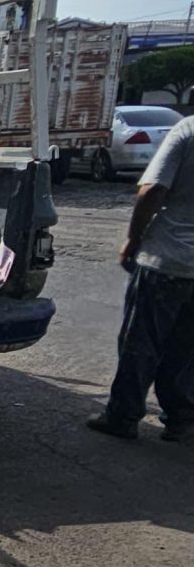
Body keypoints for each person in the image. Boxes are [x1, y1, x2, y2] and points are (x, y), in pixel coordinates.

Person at [88, 111, 194, 442]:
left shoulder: (188, 130)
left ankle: (123, 415)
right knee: (186, 350)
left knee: (141, 342)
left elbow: (152, 190)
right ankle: (182, 419)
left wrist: (133, 240)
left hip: (167, 260)